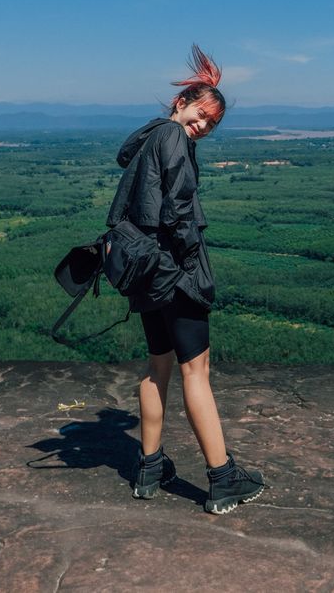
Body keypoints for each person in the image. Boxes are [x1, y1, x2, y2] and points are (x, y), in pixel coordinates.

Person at [107, 45, 264, 514]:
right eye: (200, 116)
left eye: (209, 125)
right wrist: (194, 262)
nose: (202, 128)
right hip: (174, 272)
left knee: (158, 368)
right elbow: (177, 209)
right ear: (182, 104)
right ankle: (223, 478)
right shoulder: (175, 139)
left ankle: (149, 467)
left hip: (146, 275)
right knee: (197, 372)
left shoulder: (150, 137)